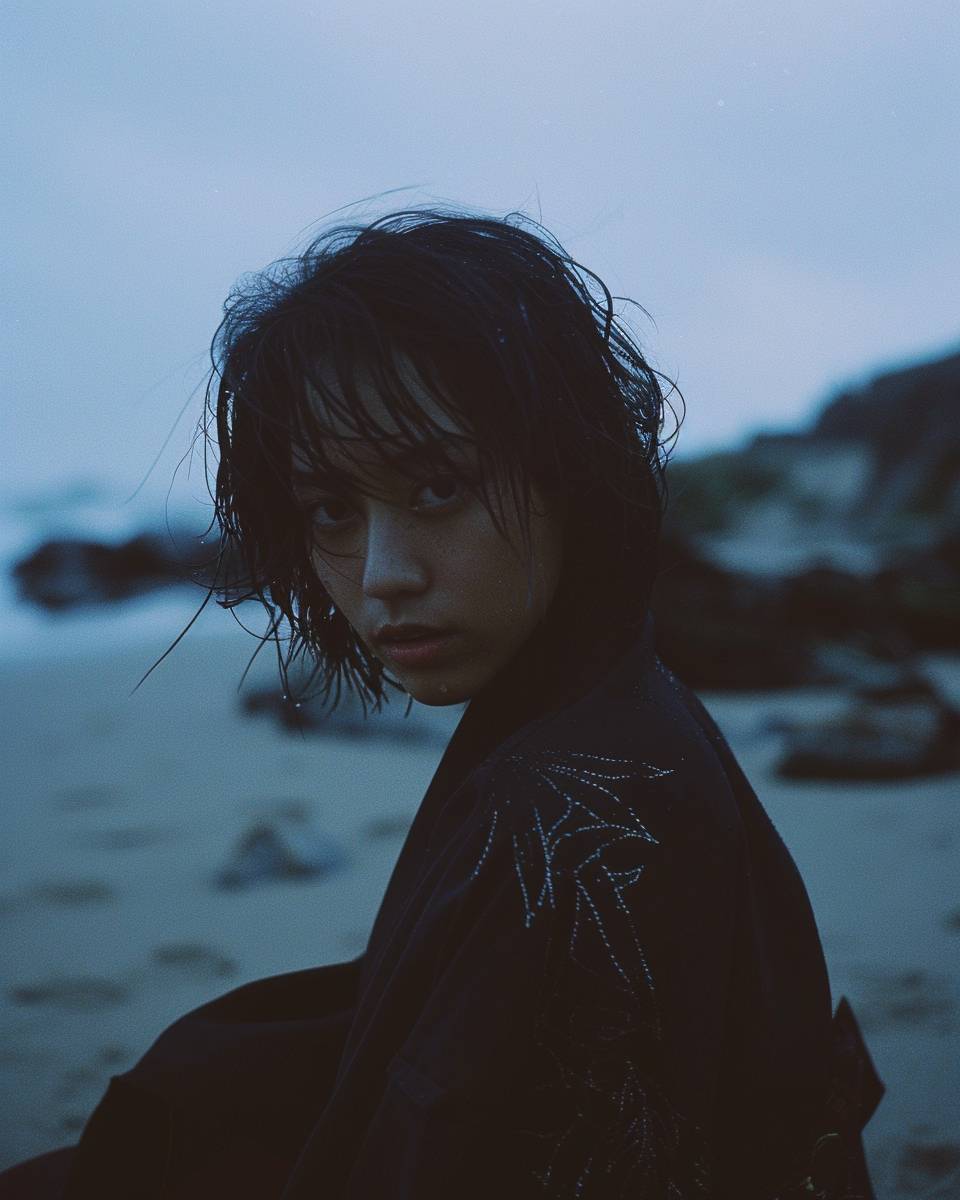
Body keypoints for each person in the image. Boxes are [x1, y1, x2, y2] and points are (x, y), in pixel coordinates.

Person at [0, 209, 883, 1198]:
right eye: (332, 509)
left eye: (436, 490)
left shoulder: (570, 807)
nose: (382, 575)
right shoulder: (608, 708)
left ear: (567, 470)